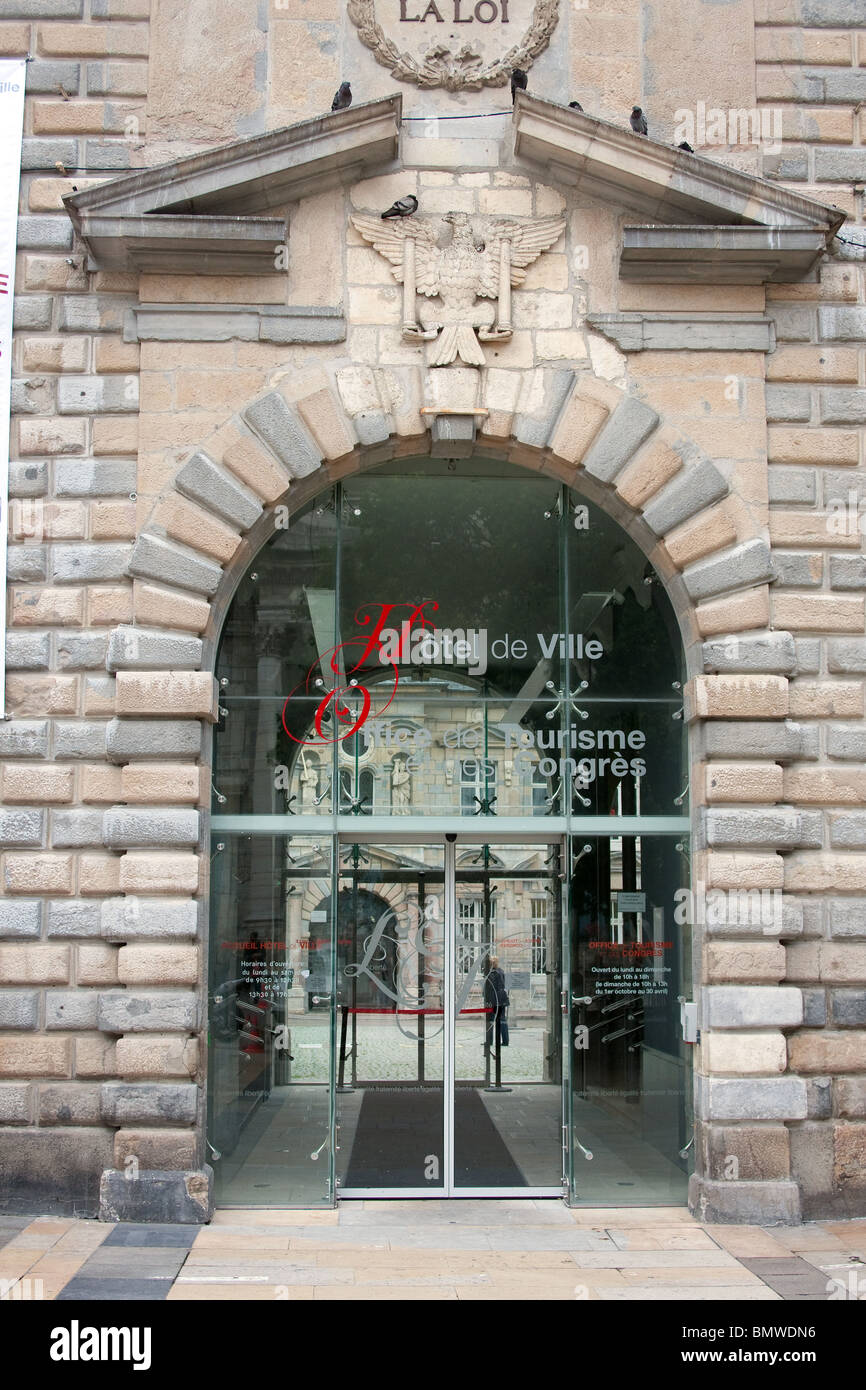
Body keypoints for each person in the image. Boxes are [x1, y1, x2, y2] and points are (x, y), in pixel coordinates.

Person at [484, 953, 510, 1053]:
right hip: (502, 998)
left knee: (491, 1020)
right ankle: (505, 1041)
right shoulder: (501, 971)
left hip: (494, 1000)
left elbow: (490, 988)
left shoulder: (492, 973)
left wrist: (487, 1000)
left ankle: (490, 1041)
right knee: (502, 1020)